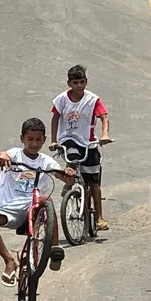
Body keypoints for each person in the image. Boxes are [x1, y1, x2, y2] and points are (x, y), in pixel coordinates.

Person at [0, 118, 75, 287]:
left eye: (38, 140)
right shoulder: (14, 154)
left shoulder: (46, 161)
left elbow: (66, 180)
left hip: (35, 209)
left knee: (45, 199)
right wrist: (1, 155)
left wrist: (69, 175)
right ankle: (9, 261)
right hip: (9, 210)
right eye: (30, 139)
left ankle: (54, 248)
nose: (34, 143)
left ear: (44, 140)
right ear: (22, 139)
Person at [49, 64, 112, 230]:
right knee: (73, 155)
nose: (79, 85)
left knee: (94, 183)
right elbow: (55, 118)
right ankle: (69, 182)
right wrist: (54, 140)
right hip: (68, 139)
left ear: (86, 82)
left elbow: (104, 118)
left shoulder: (93, 100)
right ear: (69, 83)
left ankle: (99, 218)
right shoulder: (61, 99)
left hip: (89, 142)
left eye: (82, 82)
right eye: (75, 82)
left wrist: (104, 135)